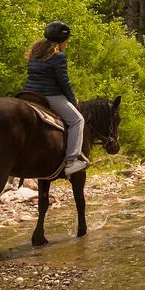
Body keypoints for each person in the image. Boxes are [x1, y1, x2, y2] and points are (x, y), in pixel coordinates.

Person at [24, 21, 88, 175]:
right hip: (50, 95)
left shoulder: (35, 52)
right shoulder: (58, 56)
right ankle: (72, 161)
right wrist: (73, 99)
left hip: (29, 94)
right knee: (78, 120)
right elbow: (63, 81)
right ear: (63, 40)